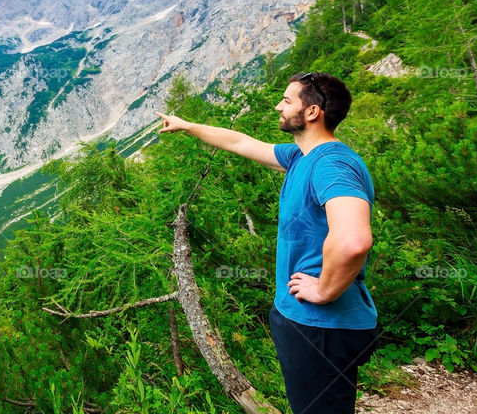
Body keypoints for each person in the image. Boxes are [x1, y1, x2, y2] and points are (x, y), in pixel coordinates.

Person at [156, 72, 379, 414]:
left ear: (312, 112)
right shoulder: (300, 157)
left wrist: (325, 291)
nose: (279, 105)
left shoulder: (332, 164)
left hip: (320, 326)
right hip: (313, 322)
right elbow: (240, 142)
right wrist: (188, 125)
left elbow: (354, 239)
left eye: (288, 100)